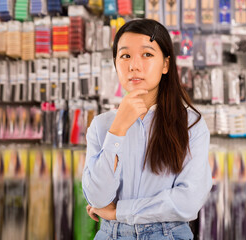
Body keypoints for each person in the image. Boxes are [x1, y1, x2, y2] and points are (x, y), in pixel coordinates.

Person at [82, 19, 212, 240]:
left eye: (147, 54)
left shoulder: (190, 123)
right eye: (125, 56)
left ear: (165, 65)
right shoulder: (102, 125)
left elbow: (188, 201)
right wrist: (119, 128)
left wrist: (119, 212)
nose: (134, 65)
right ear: (115, 63)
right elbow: (97, 197)